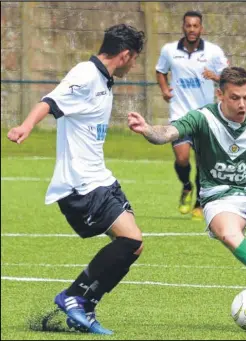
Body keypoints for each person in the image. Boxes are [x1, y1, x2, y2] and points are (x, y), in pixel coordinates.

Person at [128, 67, 246, 332]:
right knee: (230, 235)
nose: (242, 104)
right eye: (234, 97)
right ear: (220, 94)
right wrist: (148, 129)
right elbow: (168, 133)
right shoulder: (203, 118)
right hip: (218, 195)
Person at [7, 24, 146, 335]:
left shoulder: (103, 79)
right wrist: (26, 126)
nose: (134, 65)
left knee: (134, 247)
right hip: (81, 184)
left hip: (101, 178)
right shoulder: (85, 74)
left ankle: (83, 306)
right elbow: (50, 101)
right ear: (124, 55)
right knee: (131, 240)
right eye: (135, 58)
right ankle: (73, 297)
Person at [156, 10, 229, 220]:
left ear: (201, 28)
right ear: (183, 27)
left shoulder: (213, 52)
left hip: (206, 116)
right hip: (180, 115)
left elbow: (229, 76)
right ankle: (186, 186)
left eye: (195, 26)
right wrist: (164, 89)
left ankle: (199, 202)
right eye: (188, 25)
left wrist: (214, 76)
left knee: (203, 162)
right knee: (182, 159)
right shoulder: (169, 50)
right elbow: (161, 71)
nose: (191, 29)